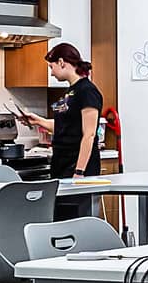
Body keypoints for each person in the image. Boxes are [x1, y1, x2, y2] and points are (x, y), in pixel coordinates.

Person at [23, 43, 105, 180]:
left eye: (51, 67)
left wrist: (79, 172)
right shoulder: (70, 92)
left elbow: (89, 134)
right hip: (62, 163)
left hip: (78, 166)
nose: (51, 73)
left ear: (61, 62)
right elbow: (65, 127)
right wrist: (38, 121)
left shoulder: (87, 91)